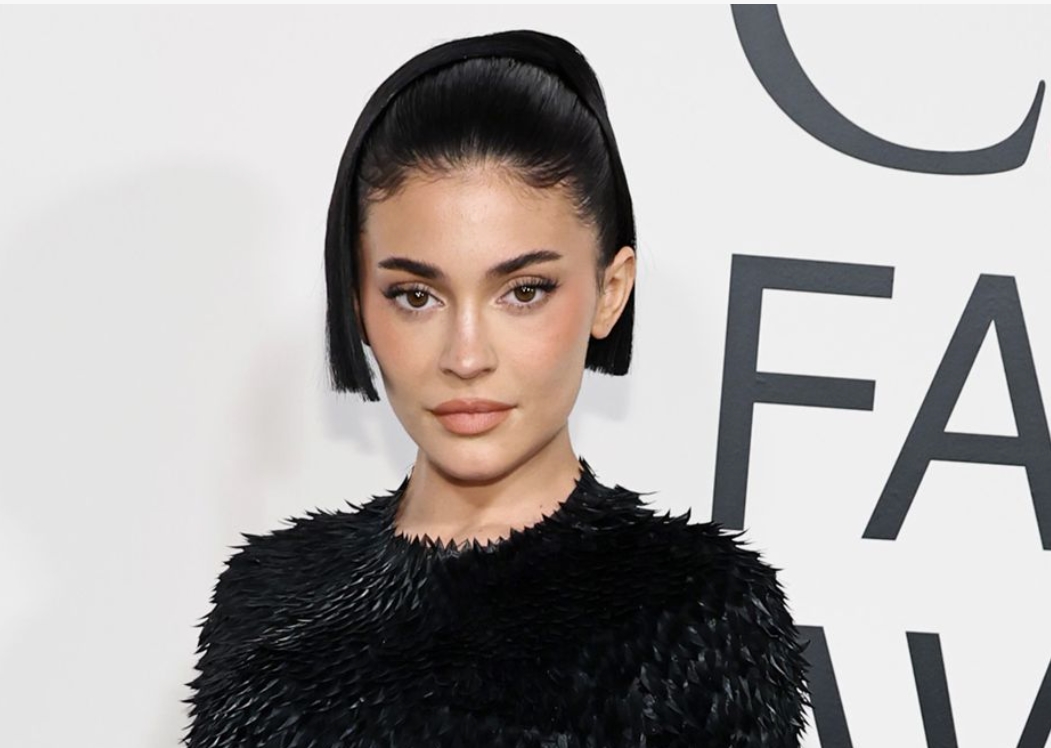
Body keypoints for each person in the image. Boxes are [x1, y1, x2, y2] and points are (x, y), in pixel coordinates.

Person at [182, 29, 812, 748]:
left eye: (524, 291)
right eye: (416, 296)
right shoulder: (268, 595)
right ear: (357, 303)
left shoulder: (696, 611)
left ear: (610, 291)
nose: (466, 356)